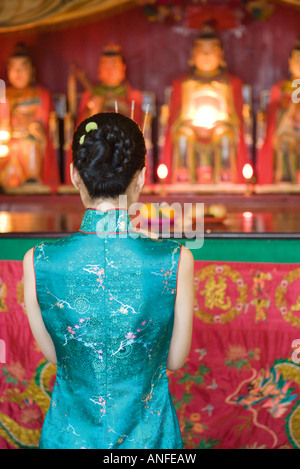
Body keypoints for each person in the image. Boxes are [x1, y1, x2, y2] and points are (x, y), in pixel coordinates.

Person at [23, 112, 194, 449]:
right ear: (142, 178)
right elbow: (174, 361)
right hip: (151, 440)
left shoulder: (38, 260)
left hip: (67, 437)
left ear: (74, 175)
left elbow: (55, 356)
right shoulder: (175, 260)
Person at [161, 24, 249, 184]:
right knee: (183, 135)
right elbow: (176, 119)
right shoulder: (185, 83)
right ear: (192, 55)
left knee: (224, 135)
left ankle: (223, 178)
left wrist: (220, 123)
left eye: (212, 50)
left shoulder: (228, 84)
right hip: (191, 130)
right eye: (201, 50)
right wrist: (190, 124)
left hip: (220, 128)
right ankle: (186, 178)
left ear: (221, 55)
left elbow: (236, 120)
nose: (206, 55)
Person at [0, 42, 59, 189]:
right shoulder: (3, 94)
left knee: (30, 145)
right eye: (13, 68)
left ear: (32, 71)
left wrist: (36, 128)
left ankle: (32, 180)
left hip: (30, 138)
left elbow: (45, 123)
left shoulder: (41, 95)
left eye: (22, 68)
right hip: (7, 140)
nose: (17, 73)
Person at [256, 37, 300, 184]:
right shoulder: (282, 88)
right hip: (288, 129)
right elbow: (276, 114)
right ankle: (286, 179)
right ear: (291, 63)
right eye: (297, 60)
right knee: (283, 143)